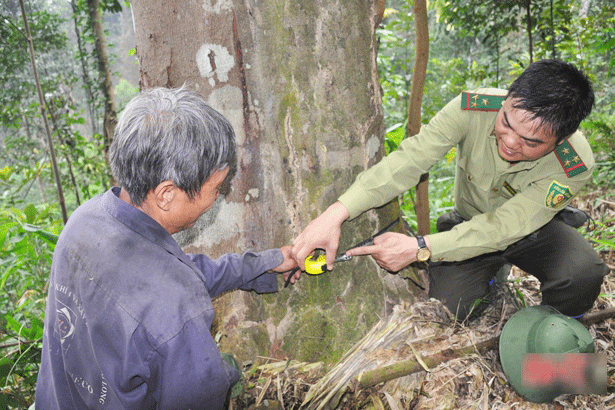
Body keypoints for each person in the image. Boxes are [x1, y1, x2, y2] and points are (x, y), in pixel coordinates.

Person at [35, 87, 297, 409]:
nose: (218, 197)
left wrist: (264, 264)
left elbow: (165, 279)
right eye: (216, 188)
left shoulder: (85, 222)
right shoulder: (176, 309)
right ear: (167, 194)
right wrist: (228, 375)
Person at [292, 59, 610, 321]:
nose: (511, 142)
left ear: (561, 139)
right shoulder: (471, 109)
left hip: (531, 231)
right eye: (507, 123)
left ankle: (552, 331)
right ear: (507, 99)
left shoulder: (574, 164)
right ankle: (493, 276)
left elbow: (505, 227)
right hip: (467, 226)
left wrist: (418, 247)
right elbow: (407, 163)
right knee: (448, 310)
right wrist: (336, 213)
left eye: (531, 141)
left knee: (582, 274)